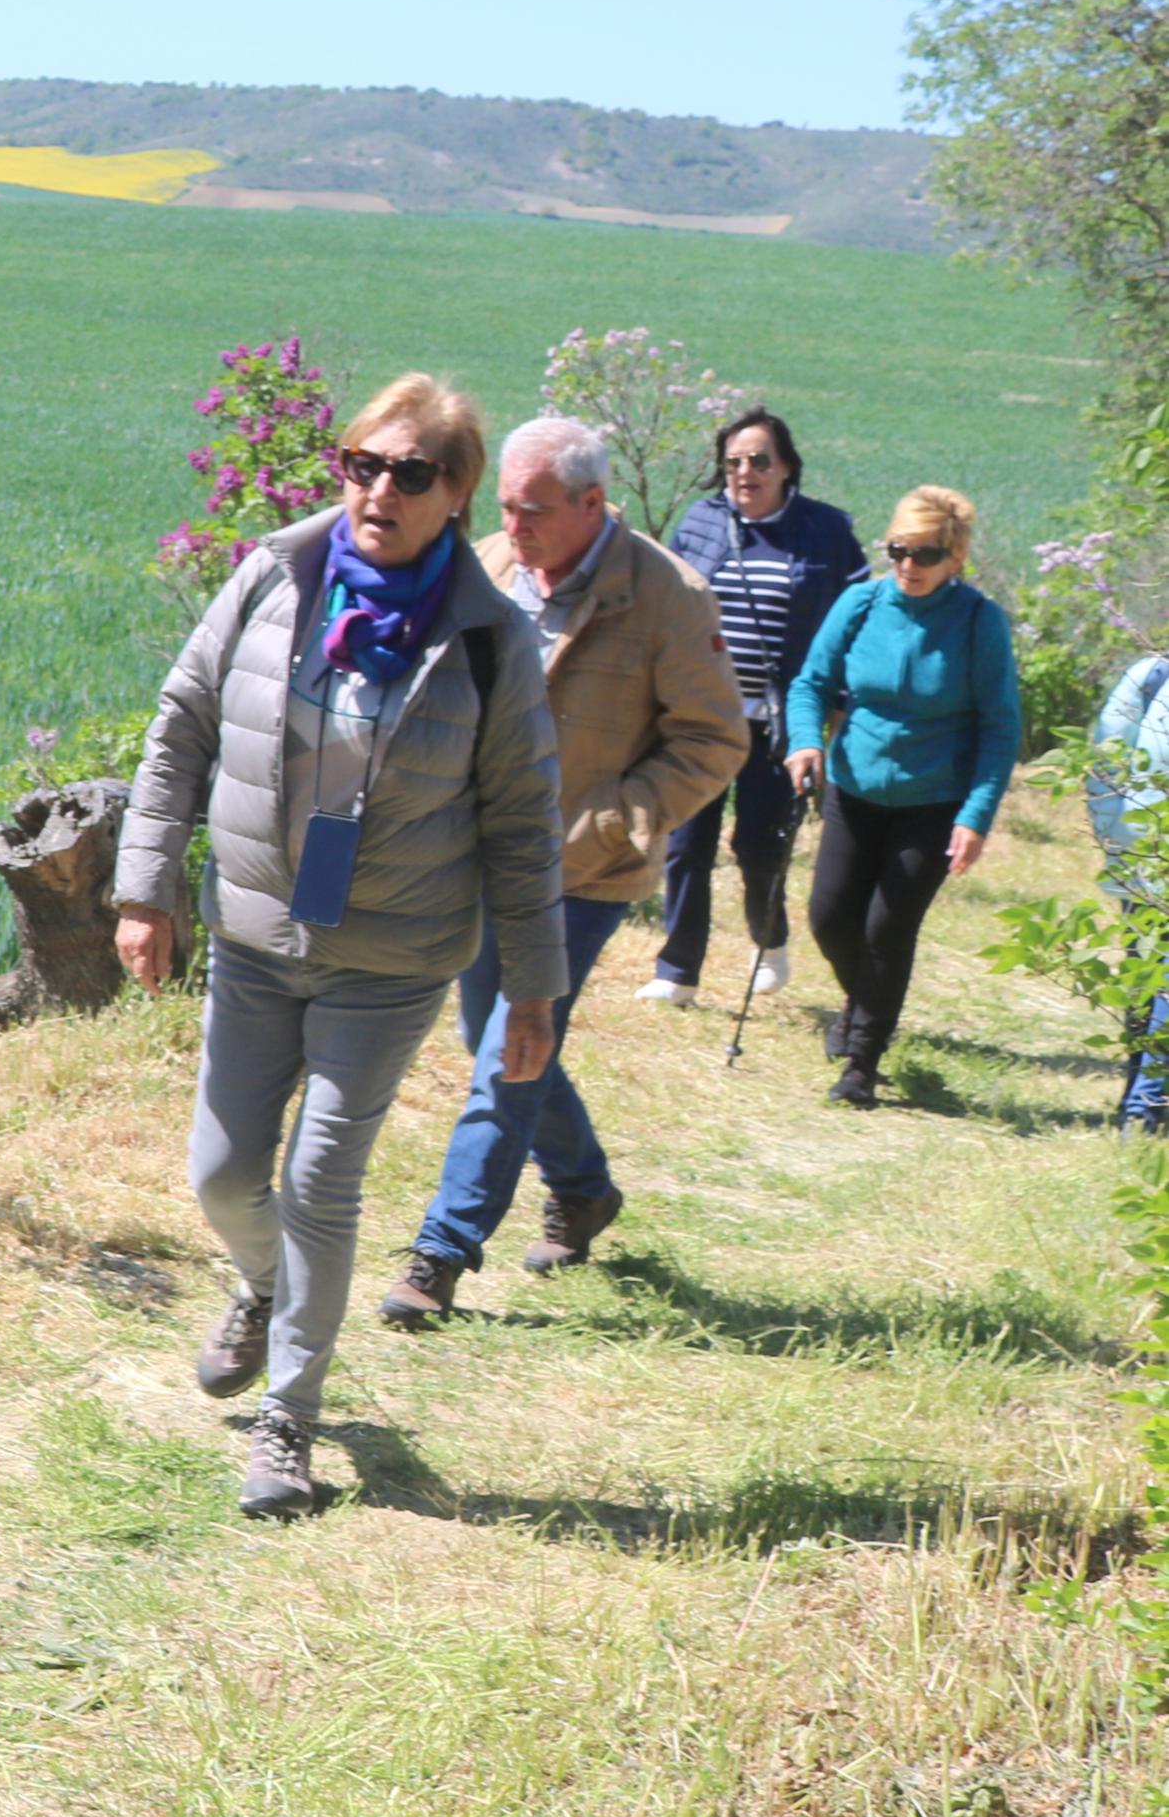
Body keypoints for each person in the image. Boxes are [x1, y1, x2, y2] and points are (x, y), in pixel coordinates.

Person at [115, 375, 565, 1519]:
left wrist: (531, 986)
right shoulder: (271, 580)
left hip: (393, 955)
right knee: (219, 1173)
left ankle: (286, 1421)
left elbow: (519, 824)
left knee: (320, 1175)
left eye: (409, 473)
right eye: (360, 463)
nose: (377, 489)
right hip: (259, 932)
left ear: (456, 494)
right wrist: (145, 886)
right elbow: (182, 727)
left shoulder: (487, 640)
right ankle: (262, 1286)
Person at [379, 416, 743, 1322]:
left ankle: (440, 1251)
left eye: (534, 510)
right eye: (503, 505)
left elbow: (715, 738)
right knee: (490, 1038)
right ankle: (582, 1188)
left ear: (592, 503)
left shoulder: (667, 594)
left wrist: (616, 818)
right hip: (477, 855)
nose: (516, 524)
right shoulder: (492, 565)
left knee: (509, 1048)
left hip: (582, 871)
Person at [788, 486, 1022, 1108]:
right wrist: (805, 742)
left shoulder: (978, 622)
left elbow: (1001, 726)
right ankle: (863, 1004)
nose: (909, 567)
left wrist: (976, 815)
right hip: (854, 788)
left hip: (933, 801)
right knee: (831, 919)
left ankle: (861, 1061)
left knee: (887, 928)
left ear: (956, 558)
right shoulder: (860, 604)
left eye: (926, 554)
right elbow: (811, 683)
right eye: (898, 551)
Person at [652, 410, 866, 1004]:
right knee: (686, 842)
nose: (746, 472)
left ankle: (769, 941)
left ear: (787, 467)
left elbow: (856, 623)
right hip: (702, 713)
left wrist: (838, 711)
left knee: (759, 845)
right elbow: (665, 604)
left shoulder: (826, 531)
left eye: (759, 461)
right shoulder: (700, 524)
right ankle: (677, 972)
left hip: (780, 723)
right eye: (734, 463)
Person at [1086, 650, 1169, 1130]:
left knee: (1151, 977)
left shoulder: (1147, 673)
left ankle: (1141, 1100)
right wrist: (1112, 839)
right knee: (1146, 978)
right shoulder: (1150, 676)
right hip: (1140, 857)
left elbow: (1103, 763)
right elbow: (1105, 762)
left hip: (1134, 857)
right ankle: (1143, 1104)